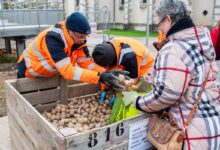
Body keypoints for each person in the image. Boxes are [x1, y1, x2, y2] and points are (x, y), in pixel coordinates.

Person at [124, 0, 220, 149]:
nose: (160, 30)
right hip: (211, 125)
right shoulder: (201, 42)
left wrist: (138, 102)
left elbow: (167, 94)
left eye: (159, 24)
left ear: (168, 19)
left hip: (190, 134)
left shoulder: (174, 48)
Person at [17, 12, 126, 91]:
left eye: (85, 36)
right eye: (80, 36)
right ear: (69, 31)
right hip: (29, 72)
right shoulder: (53, 38)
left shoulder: (79, 40)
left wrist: (105, 73)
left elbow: (86, 63)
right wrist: (99, 77)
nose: (83, 40)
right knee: (30, 101)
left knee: (47, 100)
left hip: (49, 75)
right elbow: (67, 71)